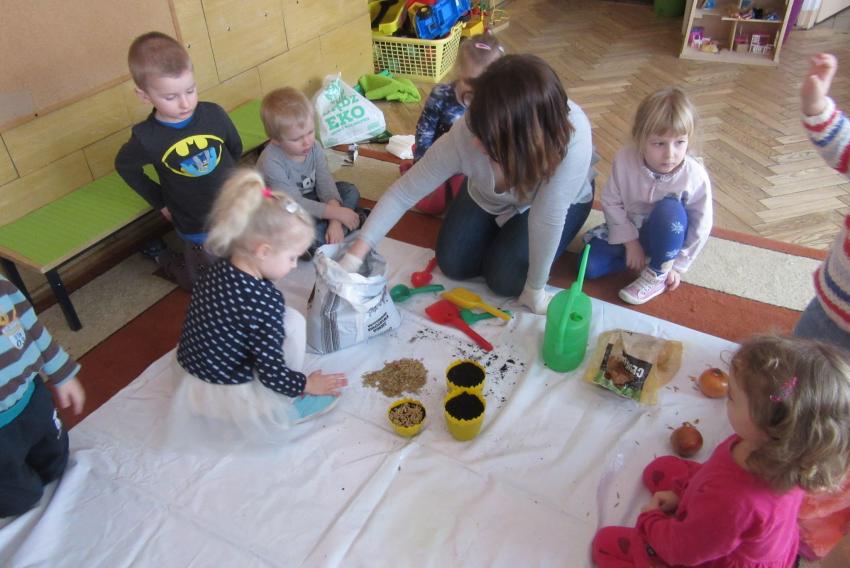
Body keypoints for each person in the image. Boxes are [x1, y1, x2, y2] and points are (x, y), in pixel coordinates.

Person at [341, 54, 596, 315]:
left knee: (505, 280)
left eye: (489, 139)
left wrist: (535, 289)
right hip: (489, 195)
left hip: (549, 206)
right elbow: (403, 193)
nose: (475, 142)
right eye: (477, 127)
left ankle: (509, 245)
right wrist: (355, 255)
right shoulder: (470, 129)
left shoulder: (573, 139)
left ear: (522, 142)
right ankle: (503, 236)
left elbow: (547, 218)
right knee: (453, 263)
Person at [592, 335, 850, 567]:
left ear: (770, 427)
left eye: (733, 397)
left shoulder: (736, 502)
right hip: (735, 526)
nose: (727, 398)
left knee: (605, 545)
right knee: (662, 470)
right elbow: (717, 471)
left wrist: (652, 520)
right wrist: (683, 493)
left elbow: (682, 550)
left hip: (714, 553)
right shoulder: (781, 449)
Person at [171, 168, 348, 447]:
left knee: (283, 321)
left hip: (194, 380)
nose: (294, 266)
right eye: (292, 257)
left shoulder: (218, 266)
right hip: (229, 397)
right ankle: (284, 404)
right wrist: (305, 384)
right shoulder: (264, 300)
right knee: (294, 323)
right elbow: (271, 373)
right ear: (263, 251)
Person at [115, 31, 243, 291]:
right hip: (195, 223)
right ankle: (165, 259)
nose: (185, 103)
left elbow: (234, 147)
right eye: (171, 97)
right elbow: (125, 166)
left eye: (190, 90)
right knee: (208, 282)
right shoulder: (146, 138)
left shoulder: (214, 114)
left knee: (243, 261)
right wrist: (159, 201)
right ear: (144, 96)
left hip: (236, 211)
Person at [795, 53, 850, 564]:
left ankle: (817, 477)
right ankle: (776, 414)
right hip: (828, 305)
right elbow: (841, 144)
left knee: (836, 414)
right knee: (792, 373)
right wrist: (818, 105)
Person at [583, 87, 712, 305]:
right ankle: (648, 261)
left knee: (670, 211)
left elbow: (702, 224)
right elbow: (611, 201)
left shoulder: (694, 175)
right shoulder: (624, 159)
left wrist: (677, 265)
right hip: (630, 230)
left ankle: (657, 272)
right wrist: (631, 244)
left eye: (680, 142)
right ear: (640, 138)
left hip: (668, 233)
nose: (670, 154)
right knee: (589, 267)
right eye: (659, 143)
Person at [0, 275, 85, 517]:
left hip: (32, 396)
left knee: (55, 461)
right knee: (21, 497)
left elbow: (30, 323)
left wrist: (61, 372)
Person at [403, 31, 504, 215]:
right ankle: (408, 171)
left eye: (484, 83)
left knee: (468, 204)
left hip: (470, 166)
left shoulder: (497, 102)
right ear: (459, 72)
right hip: (437, 158)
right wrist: (421, 162)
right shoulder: (441, 95)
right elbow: (425, 130)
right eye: (470, 82)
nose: (476, 89)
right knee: (432, 206)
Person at [256, 87, 363, 250]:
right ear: (276, 140)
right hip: (282, 209)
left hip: (310, 199)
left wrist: (335, 221)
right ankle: (350, 222)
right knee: (288, 229)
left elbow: (326, 184)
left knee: (349, 190)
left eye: (310, 132)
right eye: (296, 139)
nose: (307, 142)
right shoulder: (270, 162)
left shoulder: (315, 147)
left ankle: (335, 228)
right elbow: (294, 203)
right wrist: (338, 213)